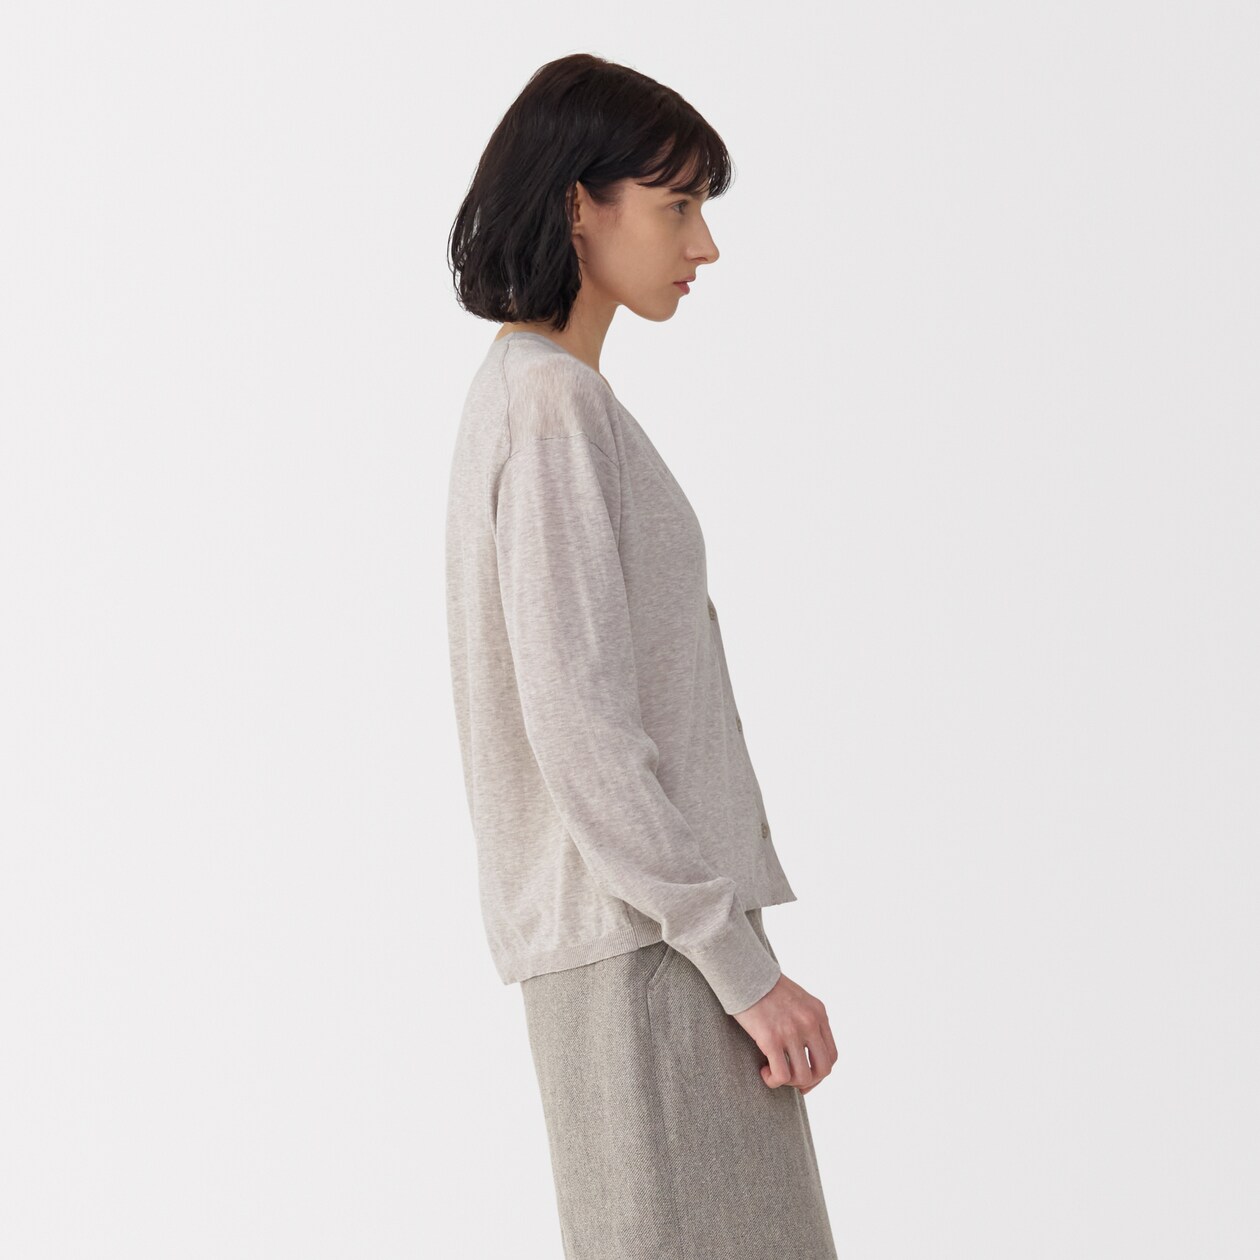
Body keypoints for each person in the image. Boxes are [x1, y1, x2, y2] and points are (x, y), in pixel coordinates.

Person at [444, 52, 839, 1259]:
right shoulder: (549, 406)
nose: (703, 244)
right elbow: (579, 725)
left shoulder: (543, 397)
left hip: (650, 942)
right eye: (678, 206)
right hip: (651, 952)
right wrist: (736, 961)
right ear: (580, 204)